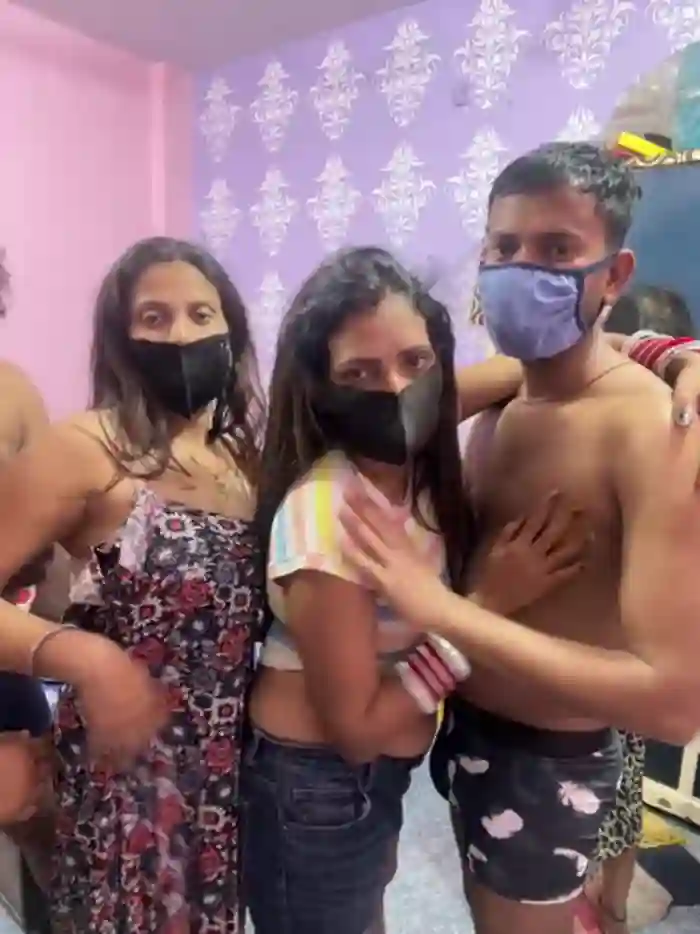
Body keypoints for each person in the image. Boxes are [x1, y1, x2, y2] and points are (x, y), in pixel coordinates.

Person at [336, 143, 700, 934]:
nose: (519, 269)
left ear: (614, 275)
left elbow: (676, 703)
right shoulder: (504, 397)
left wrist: (445, 610)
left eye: (557, 250)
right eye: (503, 248)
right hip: (466, 731)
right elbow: (377, 421)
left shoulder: (653, 430)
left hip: (549, 763)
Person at [242, 247, 592, 934]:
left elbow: (527, 369)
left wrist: (665, 355)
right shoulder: (330, 515)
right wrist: (483, 607)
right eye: (360, 372)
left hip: (365, 781)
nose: (396, 388)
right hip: (317, 782)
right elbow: (357, 731)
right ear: (321, 388)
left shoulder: (410, 464)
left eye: (415, 361)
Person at [0, 236, 266, 933]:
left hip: (226, 780)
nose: (180, 336)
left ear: (232, 331)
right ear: (121, 340)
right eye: (154, 317)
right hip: (122, 787)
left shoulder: (244, 461)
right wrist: (84, 657)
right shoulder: (87, 448)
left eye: (201, 315)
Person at [0, 251, 165, 819]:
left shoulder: (12, 393)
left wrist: (73, 651)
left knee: (48, 821)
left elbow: (46, 547)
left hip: (11, 664)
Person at [586, 284, 697, 934]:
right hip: (613, 656)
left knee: (611, 791)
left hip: (615, 657)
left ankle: (609, 908)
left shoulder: (659, 428)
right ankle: (611, 907)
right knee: (617, 794)